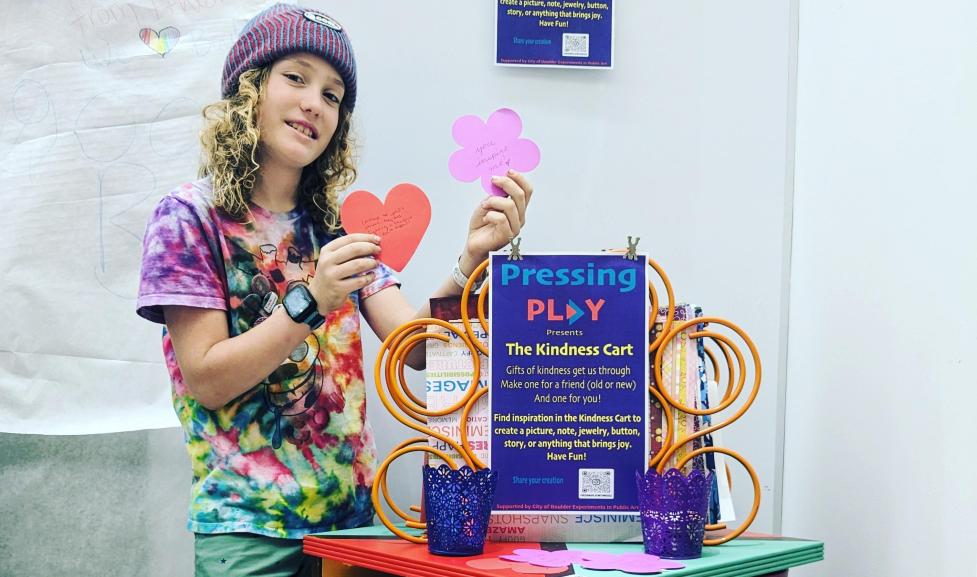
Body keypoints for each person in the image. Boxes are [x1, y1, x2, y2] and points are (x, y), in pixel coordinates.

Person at [136, 4, 532, 576]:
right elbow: (207, 379)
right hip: (248, 527)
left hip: (356, 527)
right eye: (295, 78)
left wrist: (471, 259)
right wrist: (312, 300)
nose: (313, 103)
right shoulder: (188, 217)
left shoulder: (337, 226)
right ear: (249, 89)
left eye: (332, 94)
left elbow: (414, 348)